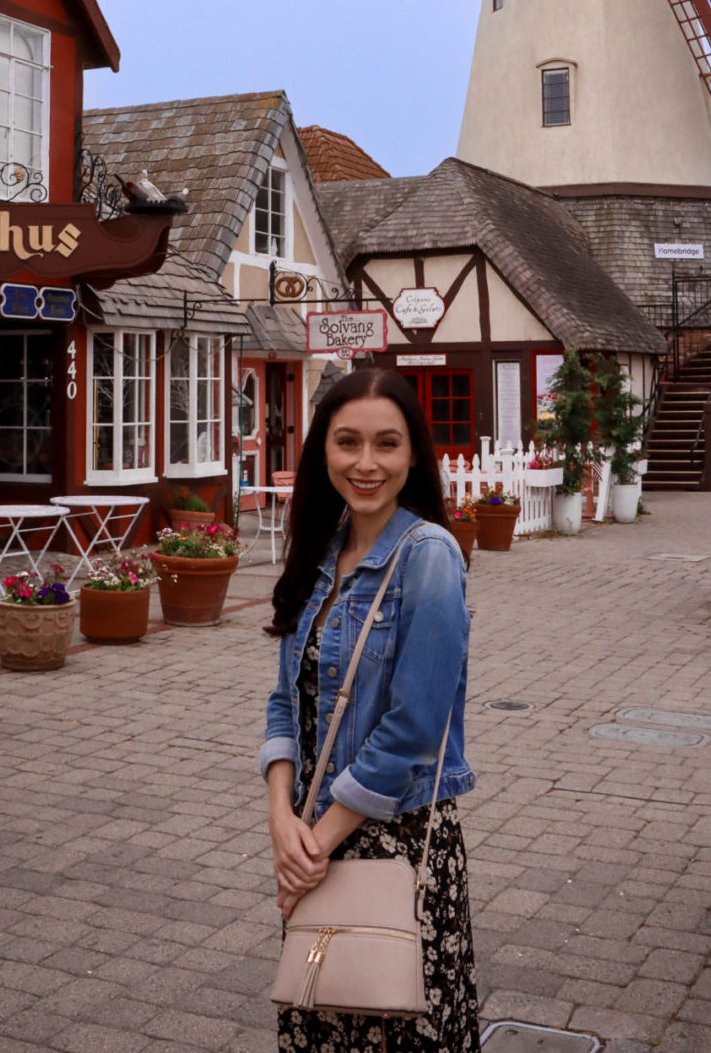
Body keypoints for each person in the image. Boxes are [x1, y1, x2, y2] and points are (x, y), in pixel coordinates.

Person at [260, 367, 480, 1052]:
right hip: (311, 836)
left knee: (395, 1024)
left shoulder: (430, 557)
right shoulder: (322, 556)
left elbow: (415, 727)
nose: (365, 463)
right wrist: (281, 820)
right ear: (321, 448)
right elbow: (282, 701)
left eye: (386, 444)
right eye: (346, 441)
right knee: (319, 1017)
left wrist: (313, 848)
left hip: (394, 842)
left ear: (413, 454)